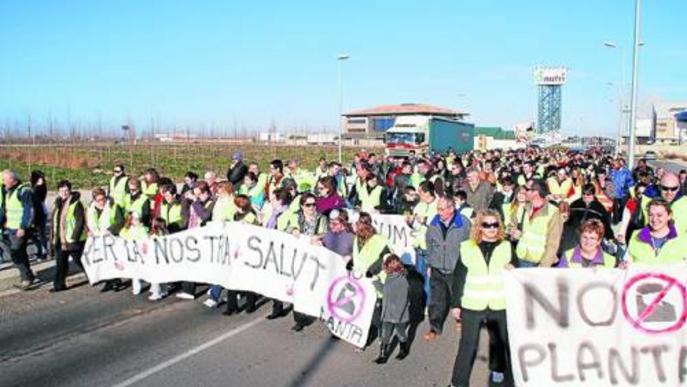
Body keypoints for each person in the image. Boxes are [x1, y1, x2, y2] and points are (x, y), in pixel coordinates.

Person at [450, 209, 516, 387]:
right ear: (479, 227)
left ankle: (498, 370)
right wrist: (455, 304)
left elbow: (518, 277)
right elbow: (459, 278)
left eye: (495, 224)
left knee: (498, 341)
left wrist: (513, 269)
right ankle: (458, 382)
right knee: (467, 345)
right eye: (487, 225)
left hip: (499, 303)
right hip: (473, 304)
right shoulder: (467, 247)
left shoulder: (507, 246)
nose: (492, 228)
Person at [423, 196, 471, 342]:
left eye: (442, 209)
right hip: (438, 267)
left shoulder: (464, 224)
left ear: (452, 208)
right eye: (438, 208)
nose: (439, 212)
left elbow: (471, 244)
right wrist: (430, 263)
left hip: (456, 268)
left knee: (459, 296)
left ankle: (461, 320)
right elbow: (429, 244)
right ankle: (434, 327)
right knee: (437, 299)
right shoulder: (434, 223)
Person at [282, 193, 328, 331]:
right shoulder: (296, 216)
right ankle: (299, 319)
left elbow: (325, 233)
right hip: (298, 256)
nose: (312, 207)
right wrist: (293, 229)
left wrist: (318, 237)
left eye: (314, 204)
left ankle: (318, 310)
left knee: (314, 285)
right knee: (299, 287)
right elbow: (285, 229)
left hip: (314, 256)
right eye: (308, 205)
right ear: (302, 206)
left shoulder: (321, 218)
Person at [347, 212, 391, 345]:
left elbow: (386, 256)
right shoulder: (356, 239)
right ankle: (362, 338)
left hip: (375, 281)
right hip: (361, 282)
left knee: (376, 315)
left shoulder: (379, 239)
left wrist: (373, 269)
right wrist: (351, 263)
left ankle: (382, 332)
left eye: (354, 224)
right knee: (362, 311)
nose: (352, 226)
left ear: (361, 225)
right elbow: (357, 255)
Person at [511, 179, 563, 268]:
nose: (523, 192)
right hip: (521, 257)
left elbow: (553, 243)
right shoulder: (524, 207)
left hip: (539, 261)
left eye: (527, 189)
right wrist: (514, 233)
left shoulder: (553, 212)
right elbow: (514, 227)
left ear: (535, 192)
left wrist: (544, 265)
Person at [176, 181, 214, 300]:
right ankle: (188, 289)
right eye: (195, 194)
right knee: (190, 263)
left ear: (206, 193)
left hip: (204, 237)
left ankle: (211, 286)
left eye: (200, 194)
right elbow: (186, 214)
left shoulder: (211, 203)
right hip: (192, 235)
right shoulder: (196, 202)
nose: (197, 197)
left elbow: (205, 216)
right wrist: (185, 200)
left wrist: (196, 201)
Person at [0, 170, 37, 290]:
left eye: (5, 180)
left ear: (12, 179)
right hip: (11, 228)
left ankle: (26, 278)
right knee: (20, 253)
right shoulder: (9, 191)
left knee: (15, 253)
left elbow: (28, 210)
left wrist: (23, 226)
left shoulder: (23, 191)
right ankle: (28, 275)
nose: (3, 182)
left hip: (20, 229)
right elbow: (5, 209)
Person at [224, 195, 260, 315]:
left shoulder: (250, 216)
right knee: (231, 278)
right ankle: (231, 306)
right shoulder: (236, 215)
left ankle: (250, 304)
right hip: (235, 250)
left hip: (247, 251)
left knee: (247, 278)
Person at [49, 180, 87, 292]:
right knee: (60, 263)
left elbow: (80, 222)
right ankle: (59, 285)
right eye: (61, 190)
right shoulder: (57, 203)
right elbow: (54, 222)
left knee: (81, 261)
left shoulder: (76, 204)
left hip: (72, 240)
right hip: (60, 239)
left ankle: (95, 276)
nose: (64, 193)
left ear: (70, 191)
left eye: (66, 190)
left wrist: (74, 237)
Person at [625, 199, 687, 265]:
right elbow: (627, 262)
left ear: (669, 216)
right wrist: (624, 265)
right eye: (651, 215)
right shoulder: (635, 236)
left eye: (659, 215)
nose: (654, 219)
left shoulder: (682, 239)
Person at [86, 188, 125, 292]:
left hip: (111, 238)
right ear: (94, 200)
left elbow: (120, 221)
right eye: (98, 200)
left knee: (112, 260)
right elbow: (89, 222)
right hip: (98, 239)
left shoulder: (113, 206)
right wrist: (88, 231)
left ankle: (116, 281)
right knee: (103, 262)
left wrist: (110, 230)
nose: (101, 202)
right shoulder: (91, 208)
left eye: (103, 199)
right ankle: (108, 281)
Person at [375, 254, 410, 364]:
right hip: (387, 313)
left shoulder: (402, 281)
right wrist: (376, 283)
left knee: (400, 333)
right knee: (385, 334)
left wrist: (397, 316)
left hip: (398, 315)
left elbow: (403, 300)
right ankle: (382, 354)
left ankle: (403, 349)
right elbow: (385, 292)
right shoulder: (389, 278)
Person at [119, 211, 149, 295]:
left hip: (141, 254)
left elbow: (145, 238)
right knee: (134, 271)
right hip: (132, 254)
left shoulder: (142, 228)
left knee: (143, 269)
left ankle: (145, 281)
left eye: (138, 219)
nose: (137, 221)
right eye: (135, 219)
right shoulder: (126, 229)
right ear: (130, 220)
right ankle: (137, 287)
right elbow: (121, 236)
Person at [29, 170, 48, 261]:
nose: (42, 180)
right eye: (39, 178)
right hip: (38, 212)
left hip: (40, 213)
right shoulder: (34, 188)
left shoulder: (39, 188)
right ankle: (41, 250)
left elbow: (37, 203)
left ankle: (43, 252)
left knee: (41, 234)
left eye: (42, 178)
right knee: (34, 234)